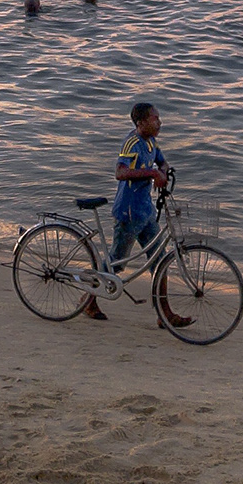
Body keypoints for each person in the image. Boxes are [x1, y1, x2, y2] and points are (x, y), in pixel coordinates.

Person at [80, 101, 185, 326]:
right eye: (155, 119)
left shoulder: (151, 143)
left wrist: (163, 173)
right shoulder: (132, 143)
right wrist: (151, 173)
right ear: (141, 123)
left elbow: (163, 162)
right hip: (128, 212)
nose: (159, 122)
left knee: (160, 260)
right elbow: (120, 172)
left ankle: (164, 315)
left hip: (145, 211)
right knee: (116, 263)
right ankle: (88, 300)